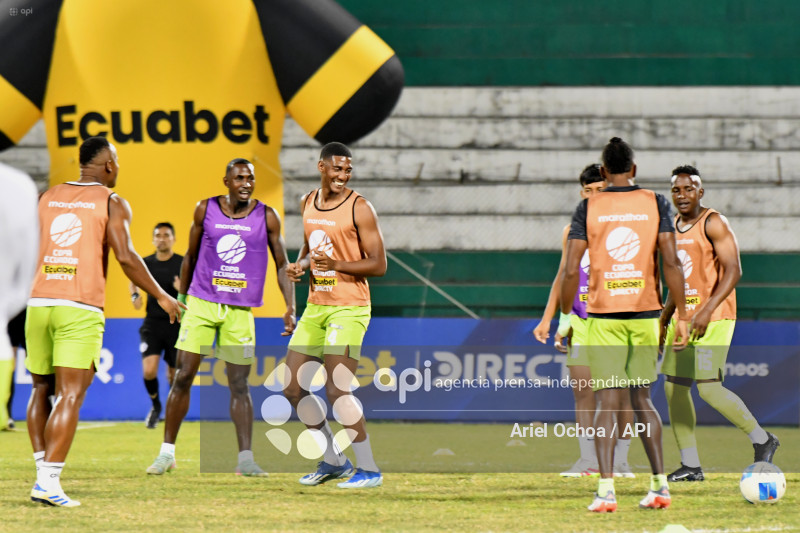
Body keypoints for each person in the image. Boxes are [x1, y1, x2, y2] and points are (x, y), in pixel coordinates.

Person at [25, 136, 183, 507]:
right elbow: (126, 256)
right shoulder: (111, 202)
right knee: (70, 394)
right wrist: (161, 294)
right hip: (78, 306)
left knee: (39, 390)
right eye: (118, 161)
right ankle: (47, 482)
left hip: (38, 302)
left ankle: (42, 473)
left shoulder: (46, 197)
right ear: (109, 164)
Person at [560, 137, 690, 512]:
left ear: (603, 172)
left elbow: (571, 268)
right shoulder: (656, 202)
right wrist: (681, 315)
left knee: (608, 400)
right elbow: (671, 261)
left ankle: (605, 491)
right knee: (643, 399)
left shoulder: (589, 206)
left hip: (604, 318)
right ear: (633, 170)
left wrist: (567, 317)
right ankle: (660, 486)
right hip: (646, 315)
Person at [146, 158, 295, 477]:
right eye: (239, 177)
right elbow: (190, 256)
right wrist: (182, 300)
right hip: (200, 303)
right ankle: (166, 454)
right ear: (226, 182)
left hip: (240, 311)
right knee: (183, 376)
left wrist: (290, 306)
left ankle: (245, 460)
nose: (246, 183)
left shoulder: (267, 216)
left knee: (239, 385)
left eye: (250, 178)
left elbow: (282, 263)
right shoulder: (205, 209)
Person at [660, 166, 779, 482]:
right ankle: (691, 465)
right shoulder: (670, 227)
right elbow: (677, 279)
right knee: (673, 389)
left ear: (700, 192)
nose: (682, 195)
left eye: (689, 188)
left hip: (714, 317)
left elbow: (733, 270)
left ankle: (762, 439)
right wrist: (664, 318)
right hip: (683, 320)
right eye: (676, 190)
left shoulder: (713, 222)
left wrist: (707, 309)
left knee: (709, 390)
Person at [284, 142, 387, 489]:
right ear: (322, 167)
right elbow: (311, 244)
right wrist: (298, 265)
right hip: (316, 306)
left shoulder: (360, 208)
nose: (343, 176)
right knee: (293, 388)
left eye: (348, 170)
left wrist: (338, 264)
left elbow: (379, 264)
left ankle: (369, 469)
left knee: (337, 389)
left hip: (350, 305)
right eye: (337, 169)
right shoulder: (307, 202)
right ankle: (333, 460)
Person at [533, 164, 635, 478]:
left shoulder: (627, 229)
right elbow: (564, 276)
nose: (593, 196)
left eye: (599, 190)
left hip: (617, 321)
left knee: (619, 394)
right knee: (583, 391)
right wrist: (549, 318)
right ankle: (589, 460)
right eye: (588, 191)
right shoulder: (573, 230)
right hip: (580, 321)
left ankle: (620, 461)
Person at [130, 222, 183, 429]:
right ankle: (156, 405)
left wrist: (182, 289)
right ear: (153, 239)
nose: (162, 238)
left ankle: (171, 409)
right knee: (149, 371)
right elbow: (132, 277)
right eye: (158, 235)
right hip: (152, 323)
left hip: (176, 324)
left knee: (173, 373)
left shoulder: (182, 263)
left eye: (166, 235)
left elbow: (195, 289)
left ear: (173, 238)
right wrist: (134, 295)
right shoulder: (146, 263)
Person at [0, 164, 38, 434]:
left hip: (32, 302)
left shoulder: (18, 188)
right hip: (15, 302)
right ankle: (7, 412)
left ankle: (46, 407)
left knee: (39, 360)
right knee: (10, 354)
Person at [4, 310, 27, 430]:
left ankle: (51, 411)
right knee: (9, 369)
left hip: (31, 316)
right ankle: (7, 416)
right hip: (11, 319)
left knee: (41, 369)